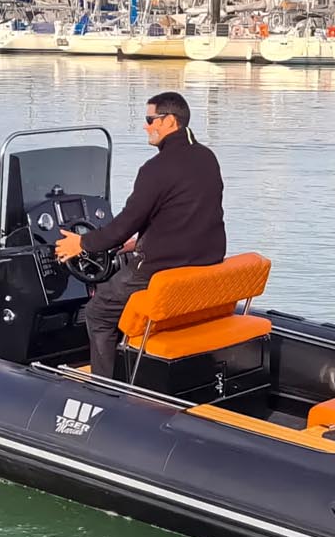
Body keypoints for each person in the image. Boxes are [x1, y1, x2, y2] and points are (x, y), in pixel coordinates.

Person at [55, 91, 226, 378]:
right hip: (204, 264)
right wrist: (140, 242)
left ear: (169, 121)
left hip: (161, 271)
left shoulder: (156, 169)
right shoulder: (206, 157)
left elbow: (122, 226)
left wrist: (81, 243)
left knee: (98, 312)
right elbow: (190, 214)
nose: (146, 127)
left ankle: (103, 388)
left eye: (150, 119)